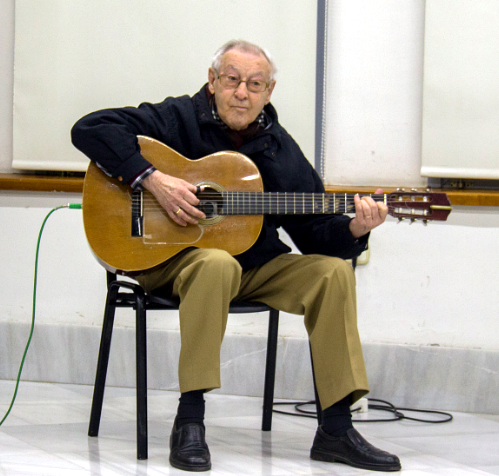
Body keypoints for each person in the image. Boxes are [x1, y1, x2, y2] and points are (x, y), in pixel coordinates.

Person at [71, 39, 400, 472]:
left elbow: (315, 234)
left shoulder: (278, 147)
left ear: (269, 91)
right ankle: (190, 419)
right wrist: (152, 179)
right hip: (168, 263)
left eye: (254, 83)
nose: (242, 92)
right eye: (232, 80)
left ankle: (335, 428)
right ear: (213, 81)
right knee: (214, 262)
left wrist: (357, 227)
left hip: (253, 267)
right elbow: (89, 129)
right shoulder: (177, 118)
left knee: (331, 273)